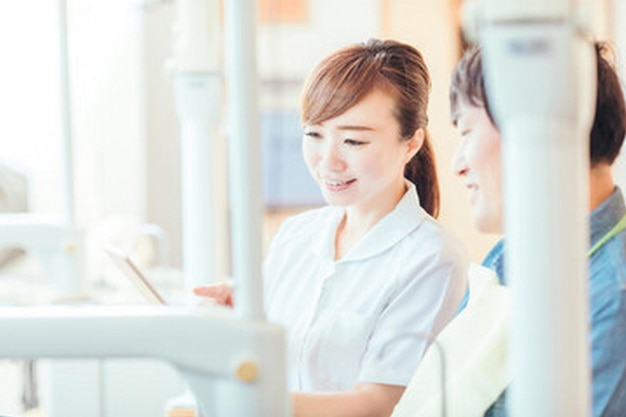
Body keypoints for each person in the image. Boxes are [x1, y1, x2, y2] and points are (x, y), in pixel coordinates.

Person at [195, 38, 468, 417]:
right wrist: (243, 311)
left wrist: (252, 405)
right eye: (314, 135)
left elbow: (379, 404)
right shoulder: (296, 236)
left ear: (411, 144)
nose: (328, 161)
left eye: (354, 140)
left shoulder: (431, 258)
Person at [448, 42, 626, 417]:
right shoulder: (507, 259)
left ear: (537, 127)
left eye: (466, 132)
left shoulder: (613, 298)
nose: (457, 164)